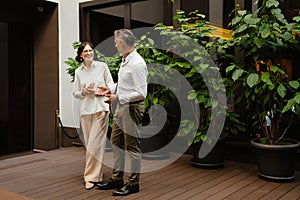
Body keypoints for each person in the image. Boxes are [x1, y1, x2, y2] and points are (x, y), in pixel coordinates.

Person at [95, 29, 148, 196]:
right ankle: (117, 179)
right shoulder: (126, 60)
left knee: (132, 146)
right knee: (116, 142)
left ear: (123, 43)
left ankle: (133, 184)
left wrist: (118, 96)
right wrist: (110, 88)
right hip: (121, 106)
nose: (115, 44)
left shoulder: (137, 63)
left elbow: (141, 93)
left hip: (131, 108)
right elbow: (126, 84)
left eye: (116, 42)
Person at [72, 41, 114, 190]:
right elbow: (75, 93)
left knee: (94, 144)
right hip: (85, 110)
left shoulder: (102, 66)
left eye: (90, 50)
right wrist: (84, 92)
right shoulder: (78, 72)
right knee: (92, 145)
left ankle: (90, 177)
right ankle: (97, 174)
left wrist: (104, 89)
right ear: (81, 55)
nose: (89, 53)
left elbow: (112, 84)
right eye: (86, 52)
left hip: (100, 108)